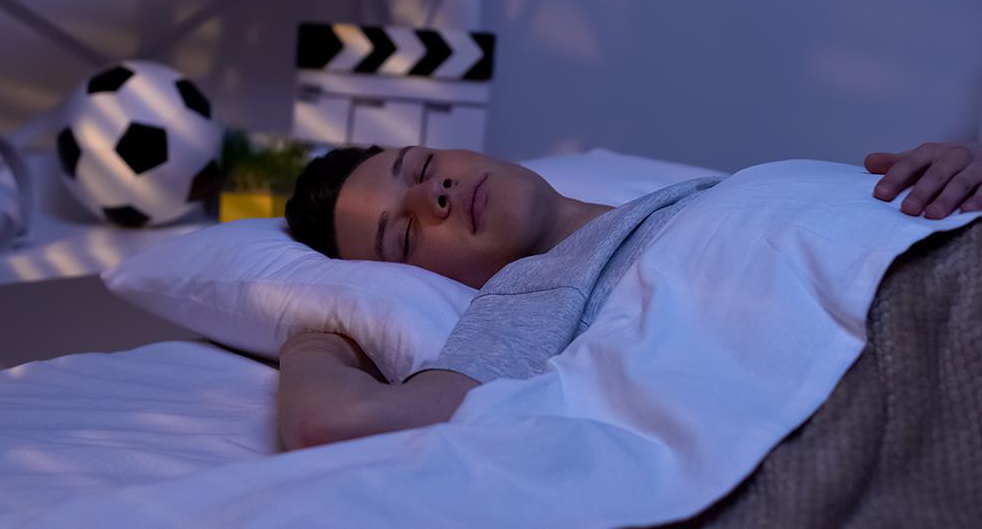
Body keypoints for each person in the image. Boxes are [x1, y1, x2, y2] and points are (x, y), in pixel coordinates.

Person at [276, 140, 982, 451]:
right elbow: (336, 422)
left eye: (424, 168)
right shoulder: (526, 297)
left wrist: (959, 169)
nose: (435, 193)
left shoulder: (678, 198)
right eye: (403, 235)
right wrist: (317, 330)